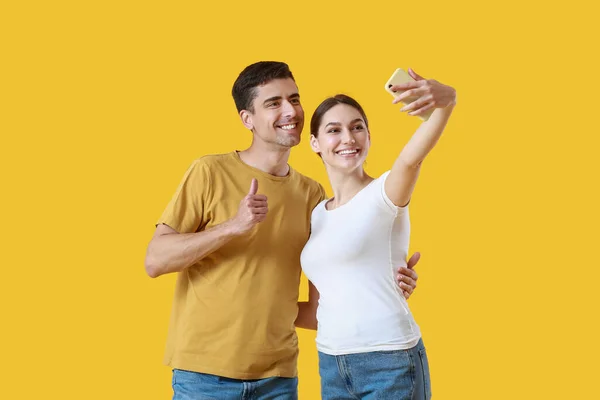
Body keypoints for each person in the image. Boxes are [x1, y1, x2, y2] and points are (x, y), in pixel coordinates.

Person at [144, 61, 421, 400]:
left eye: (294, 98)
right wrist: (233, 227)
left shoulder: (313, 197)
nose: (290, 110)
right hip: (204, 378)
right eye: (273, 103)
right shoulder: (209, 172)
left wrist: (379, 286)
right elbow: (155, 261)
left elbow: (321, 308)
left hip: (278, 380)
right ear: (248, 119)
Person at [300, 69, 457, 400]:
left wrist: (445, 99)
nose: (348, 138)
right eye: (334, 130)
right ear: (315, 142)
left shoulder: (385, 192)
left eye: (358, 127)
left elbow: (413, 159)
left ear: (369, 137)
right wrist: (243, 306)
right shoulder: (315, 214)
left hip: (391, 361)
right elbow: (316, 311)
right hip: (332, 364)